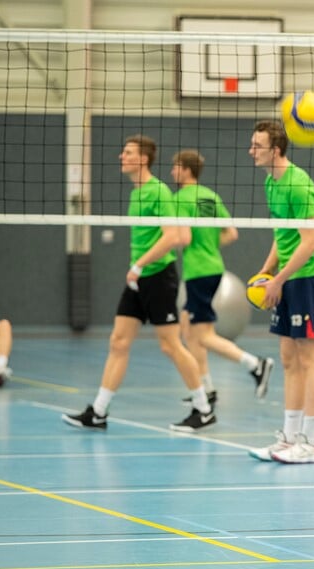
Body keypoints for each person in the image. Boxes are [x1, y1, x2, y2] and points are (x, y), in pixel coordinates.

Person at [62, 134, 214, 432]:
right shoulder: (136, 193)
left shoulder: (159, 192)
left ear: (143, 159)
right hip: (139, 279)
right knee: (118, 342)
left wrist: (139, 265)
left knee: (171, 346)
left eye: (128, 152)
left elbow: (172, 237)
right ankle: (99, 411)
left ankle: (203, 409)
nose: (122, 156)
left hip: (159, 277)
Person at [245, 121, 314, 464]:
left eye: (258, 145)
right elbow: (282, 236)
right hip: (287, 277)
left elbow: (310, 243)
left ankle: (310, 444)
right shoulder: (271, 181)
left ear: (276, 149)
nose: (252, 151)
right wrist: (267, 271)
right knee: (287, 358)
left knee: (311, 359)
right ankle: (289, 436)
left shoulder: (299, 185)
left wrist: (278, 279)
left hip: (310, 279)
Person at [170, 149, 275, 405]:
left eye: (175, 167)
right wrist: (209, 247)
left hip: (198, 271)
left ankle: (256, 364)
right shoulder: (210, 196)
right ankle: (206, 388)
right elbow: (232, 233)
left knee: (202, 335)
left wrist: (180, 246)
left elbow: (182, 237)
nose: (173, 172)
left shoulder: (180, 198)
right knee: (188, 330)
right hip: (213, 267)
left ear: (186, 169)